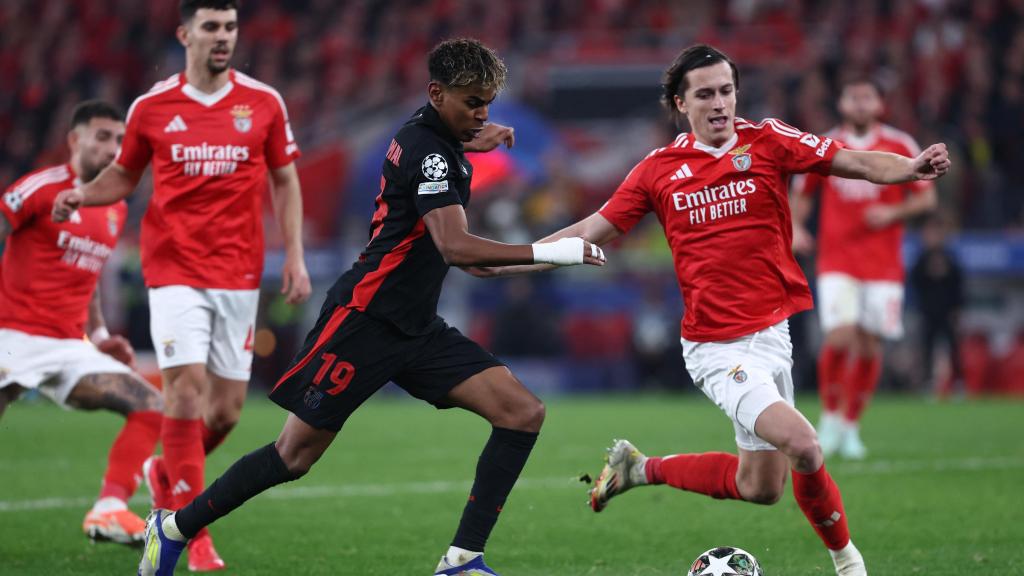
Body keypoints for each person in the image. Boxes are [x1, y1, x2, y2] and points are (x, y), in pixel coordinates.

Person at [135, 37, 605, 576]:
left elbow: (474, 262)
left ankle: (462, 560)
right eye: (472, 102)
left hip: (416, 327)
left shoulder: (433, 136)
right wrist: (554, 252)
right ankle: (174, 528)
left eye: (487, 103)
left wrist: (477, 141)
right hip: (364, 321)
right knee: (294, 456)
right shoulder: (430, 153)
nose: (482, 113)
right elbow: (457, 248)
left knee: (522, 412)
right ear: (437, 94)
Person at [500, 45, 948, 576]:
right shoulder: (658, 170)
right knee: (804, 444)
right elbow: (590, 230)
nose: (719, 104)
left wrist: (910, 169)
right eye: (705, 94)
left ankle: (639, 469)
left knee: (760, 486)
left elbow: (853, 160)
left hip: (773, 335)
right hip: (716, 347)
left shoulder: (770, 140)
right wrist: (510, 258)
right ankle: (849, 564)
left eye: (727, 91)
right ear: (680, 103)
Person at [52, 1, 312, 570]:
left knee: (224, 414)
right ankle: (191, 532)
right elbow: (124, 175)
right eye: (211, 27)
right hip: (173, 271)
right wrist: (82, 194)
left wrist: (293, 255)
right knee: (186, 393)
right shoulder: (152, 106)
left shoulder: (263, 102)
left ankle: (162, 473)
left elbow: (285, 179)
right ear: (185, 35)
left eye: (230, 27)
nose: (223, 37)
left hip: (239, 274)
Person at [0, 100, 164, 544]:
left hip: (69, 346)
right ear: (75, 140)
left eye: (119, 140)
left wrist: (100, 334)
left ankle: (108, 510)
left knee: (152, 407)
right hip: (12, 335)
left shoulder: (115, 207)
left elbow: (87, 277)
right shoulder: (41, 187)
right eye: (102, 137)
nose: (112, 149)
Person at [791, 77, 936, 459]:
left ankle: (851, 425)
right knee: (839, 337)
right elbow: (802, 194)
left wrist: (893, 211)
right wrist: (796, 227)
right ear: (841, 104)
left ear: (879, 105)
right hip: (836, 259)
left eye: (866, 97)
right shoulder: (825, 146)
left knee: (871, 344)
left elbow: (926, 198)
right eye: (852, 97)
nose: (859, 104)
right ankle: (830, 417)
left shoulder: (900, 144)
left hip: (883, 264)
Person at [910, 212, 965, 396]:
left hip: (948, 312)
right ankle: (928, 383)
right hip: (928, 312)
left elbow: (958, 284)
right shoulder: (922, 258)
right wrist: (929, 271)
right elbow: (915, 281)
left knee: (954, 348)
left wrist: (957, 309)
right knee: (927, 347)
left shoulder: (950, 257)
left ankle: (959, 383)